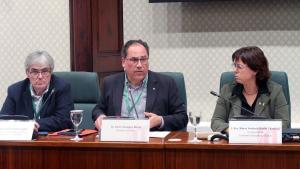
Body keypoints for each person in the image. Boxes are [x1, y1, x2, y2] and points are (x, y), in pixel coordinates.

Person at [92, 39, 188, 131]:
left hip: (151, 143)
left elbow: (182, 117)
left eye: (143, 59)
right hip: (119, 141)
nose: (139, 65)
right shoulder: (110, 83)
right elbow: (98, 109)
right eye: (134, 60)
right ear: (123, 62)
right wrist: (100, 116)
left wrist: (160, 120)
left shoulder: (166, 84)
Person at [211, 46, 290, 132]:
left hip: (264, 143)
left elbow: (285, 123)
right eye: (235, 66)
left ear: (255, 70)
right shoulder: (228, 90)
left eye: (239, 67)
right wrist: (231, 130)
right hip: (235, 143)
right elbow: (216, 121)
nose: (235, 70)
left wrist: (255, 131)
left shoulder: (275, 91)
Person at [0, 51, 74, 132]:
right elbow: (3, 120)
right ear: (27, 73)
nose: (40, 76)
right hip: (23, 141)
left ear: (51, 72)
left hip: (53, 140)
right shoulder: (15, 90)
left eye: (45, 71)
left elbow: (64, 120)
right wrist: (27, 126)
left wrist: (32, 124)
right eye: (35, 72)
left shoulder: (61, 87)